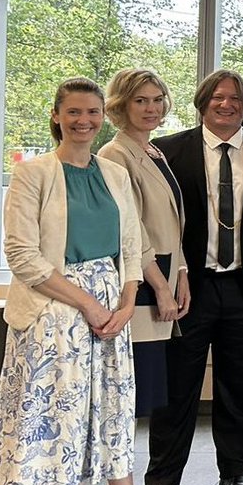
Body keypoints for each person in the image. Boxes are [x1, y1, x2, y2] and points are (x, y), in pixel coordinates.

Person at [0, 77, 149, 485]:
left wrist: (127, 301)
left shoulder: (113, 172)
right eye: (74, 112)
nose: (84, 121)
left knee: (82, 436)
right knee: (44, 440)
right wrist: (87, 303)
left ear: (104, 116)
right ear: (57, 116)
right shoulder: (32, 173)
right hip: (52, 317)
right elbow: (21, 254)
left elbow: (132, 244)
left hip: (109, 317)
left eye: (92, 112)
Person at [143, 70, 243, 485]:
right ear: (202, 102)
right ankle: (161, 481)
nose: (226, 104)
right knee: (176, 388)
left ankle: (236, 473)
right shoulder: (166, 152)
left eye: (235, 98)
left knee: (239, 386)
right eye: (218, 97)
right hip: (187, 289)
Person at [99, 68, 187, 419]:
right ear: (121, 105)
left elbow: (170, 223)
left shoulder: (152, 151)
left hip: (163, 275)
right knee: (129, 403)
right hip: (141, 288)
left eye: (157, 100)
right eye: (140, 100)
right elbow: (130, 230)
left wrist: (181, 272)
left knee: (146, 398)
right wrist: (163, 288)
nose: (151, 108)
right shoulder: (115, 154)